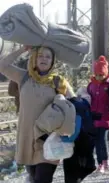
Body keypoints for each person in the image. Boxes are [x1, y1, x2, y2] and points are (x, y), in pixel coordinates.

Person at [0, 46, 75, 183]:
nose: (44, 59)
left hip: (48, 139)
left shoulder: (59, 82)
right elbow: (3, 65)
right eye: (40, 55)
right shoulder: (23, 77)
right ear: (34, 58)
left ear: (52, 61)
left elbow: (74, 105)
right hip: (28, 138)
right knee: (34, 178)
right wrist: (22, 50)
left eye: (48, 57)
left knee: (42, 179)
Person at [87, 55, 109, 173]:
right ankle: (100, 163)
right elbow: (88, 97)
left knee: (102, 140)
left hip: (106, 117)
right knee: (97, 141)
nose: (99, 77)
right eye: (97, 75)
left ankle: (106, 161)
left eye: (102, 75)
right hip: (94, 117)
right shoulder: (91, 85)